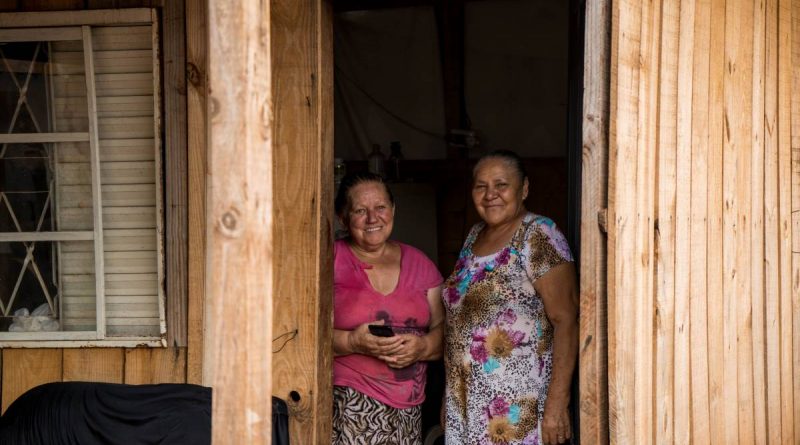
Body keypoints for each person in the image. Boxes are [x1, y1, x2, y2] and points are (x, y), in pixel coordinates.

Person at [441, 150, 578, 445]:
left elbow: (566, 319)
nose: (490, 194)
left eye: (501, 185)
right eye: (481, 186)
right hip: (466, 404)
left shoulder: (539, 234)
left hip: (515, 407)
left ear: (523, 189)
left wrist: (557, 405)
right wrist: (449, 396)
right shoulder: (474, 235)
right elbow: (460, 326)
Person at [332, 171, 444, 445]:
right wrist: (352, 342)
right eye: (360, 210)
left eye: (380, 207)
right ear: (343, 217)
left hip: (408, 409)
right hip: (348, 403)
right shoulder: (329, 258)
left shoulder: (420, 263)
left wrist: (423, 347)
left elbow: (446, 329)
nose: (373, 218)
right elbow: (299, 334)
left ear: (393, 209)